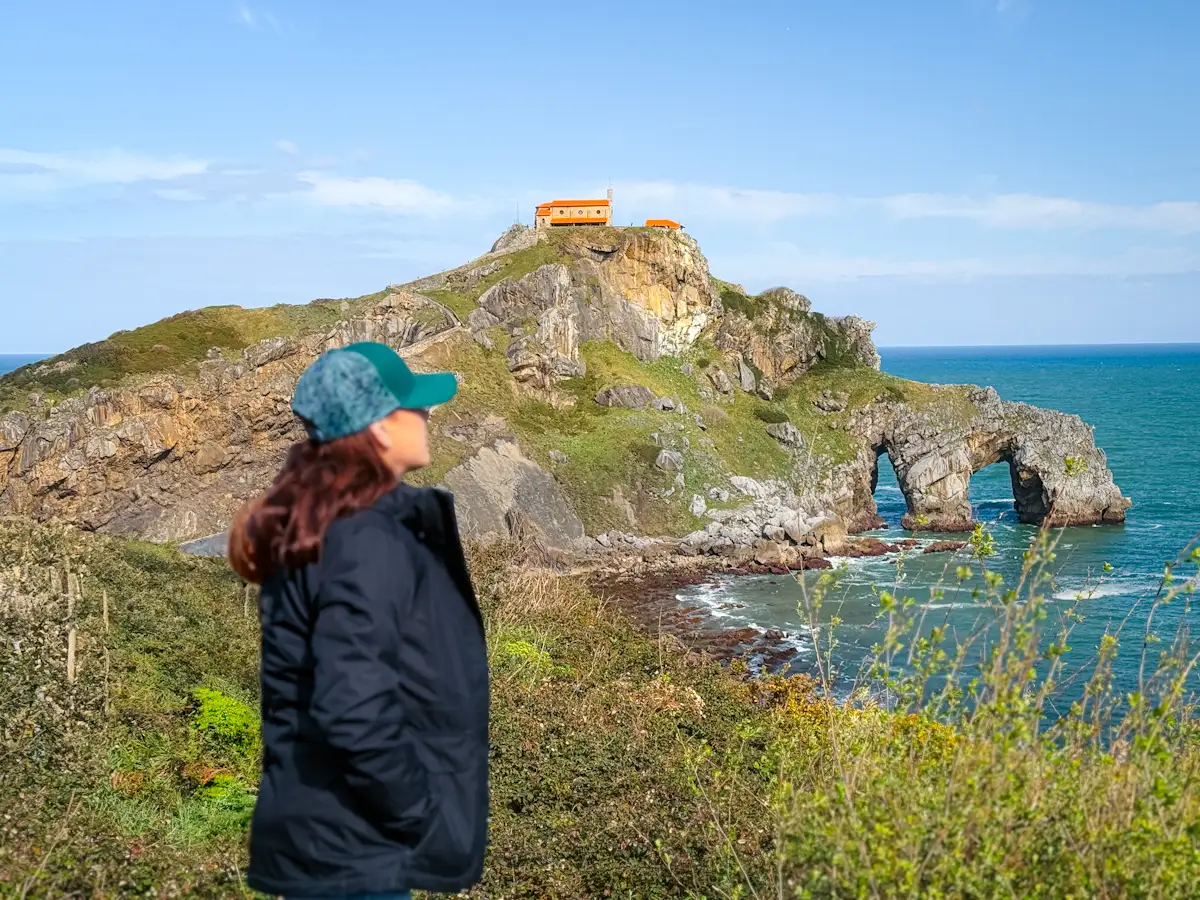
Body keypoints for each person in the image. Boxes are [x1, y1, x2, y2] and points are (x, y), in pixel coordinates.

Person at [228, 341, 489, 900]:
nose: (426, 414)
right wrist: (420, 811)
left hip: (326, 841)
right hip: (357, 852)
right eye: (412, 405)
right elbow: (352, 704)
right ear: (377, 429)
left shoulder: (324, 526)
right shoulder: (365, 538)